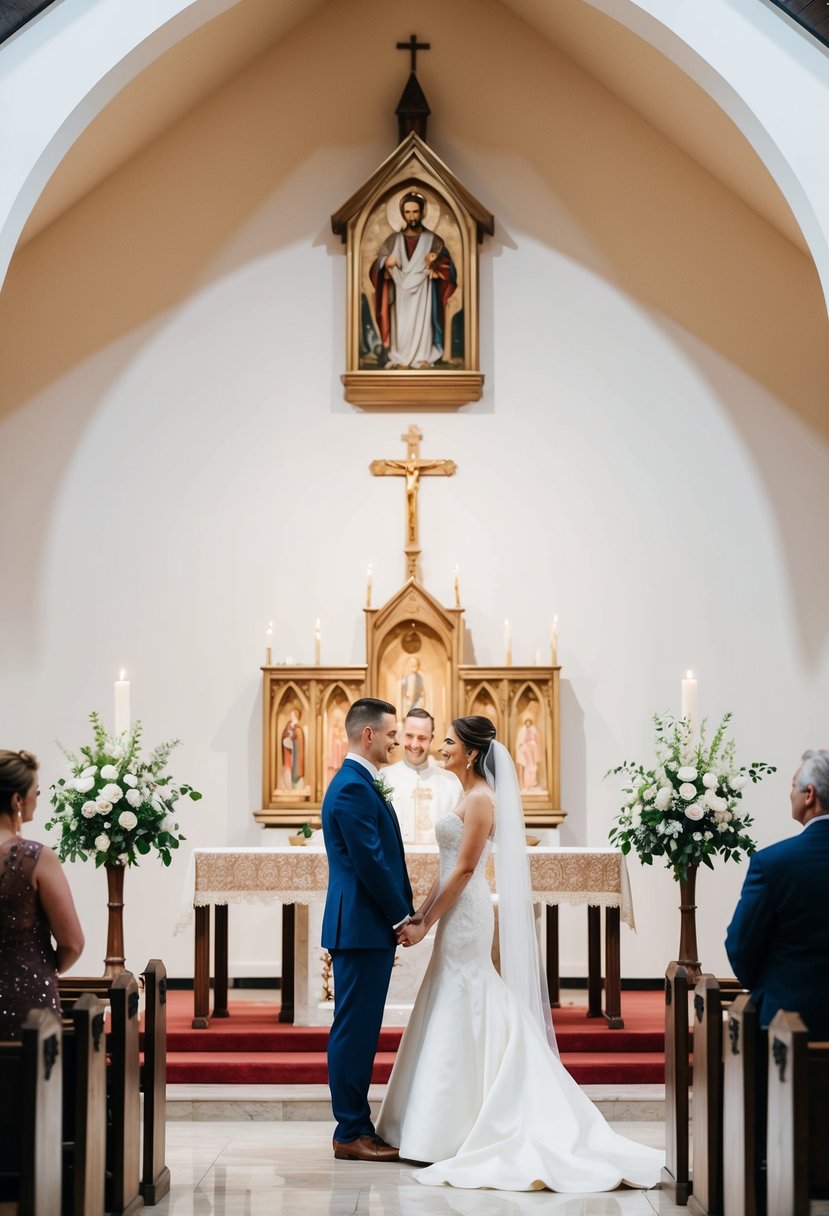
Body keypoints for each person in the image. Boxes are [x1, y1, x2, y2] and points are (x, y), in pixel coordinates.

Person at [376, 716, 663, 1192]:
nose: (440, 748)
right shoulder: (462, 796)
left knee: (469, 990)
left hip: (466, 914)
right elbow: (445, 867)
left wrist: (429, 920)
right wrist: (419, 916)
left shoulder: (483, 799)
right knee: (451, 993)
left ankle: (473, 1116)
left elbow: (466, 869)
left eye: (449, 741)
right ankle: (437, 1121)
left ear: (470, 753)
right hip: (450, 912)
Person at [321, 697, 413, 1162]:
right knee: (354, 1031)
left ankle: (358, 1124)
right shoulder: (354, 787)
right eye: (393, 733)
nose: (399, 740)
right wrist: (402, 917)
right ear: (369, 735)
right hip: (360, 925)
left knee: (359, 1028)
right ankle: (350, 1131)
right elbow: (371, 864)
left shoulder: (361, 782)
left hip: (362, 925)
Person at [725, 748, 829, 1040]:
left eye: (792, 785)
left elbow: (740, 946)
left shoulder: (773, 863)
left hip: (790, 1022)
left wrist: (771, 987)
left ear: (809, 794)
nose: (789, 795)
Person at [0, 749, 85, 1039]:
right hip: (26, 1005)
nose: (38, 796)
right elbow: (72, 943)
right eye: (35, 791)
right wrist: (38, 969)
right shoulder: (36, 858)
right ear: (17, 800)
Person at [369, 192, 456, 369]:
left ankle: (423, 358)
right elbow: (377, 264)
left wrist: (435, 264)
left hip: (424, 293)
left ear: (422, 212)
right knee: (402, 327)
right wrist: (385, 262)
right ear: (402, 214)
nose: (412, 216)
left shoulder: (434, 241)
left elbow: (447, 267)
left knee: (423, 326)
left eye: (415, 212)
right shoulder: (393, 240)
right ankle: (400, 359)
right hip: (400, 294)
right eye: (407, 212)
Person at [383, 708, 461, 843]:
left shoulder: (451, 783)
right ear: (400, 735)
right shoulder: (383, 778)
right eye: (409, 736)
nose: (414, 744)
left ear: (431, 739)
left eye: (422, 738)